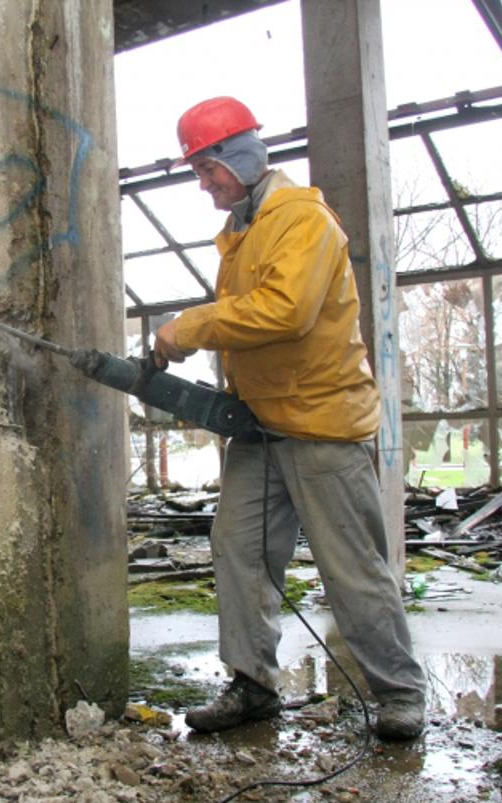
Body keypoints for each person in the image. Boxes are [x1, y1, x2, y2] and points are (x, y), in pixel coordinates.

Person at [151, 96, 427, 740]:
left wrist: (189, 326)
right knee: (239, 551)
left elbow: (285, 311)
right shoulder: (245, 231)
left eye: (209, 167)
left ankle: (399, 693)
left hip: (321, 423)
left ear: (242, 156)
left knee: (351, 566)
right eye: (198, 171)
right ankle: (252, 685)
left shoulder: (302, 219)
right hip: (260, 425)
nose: (204, 183)